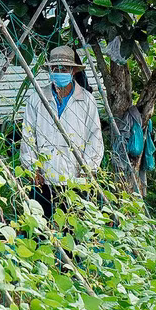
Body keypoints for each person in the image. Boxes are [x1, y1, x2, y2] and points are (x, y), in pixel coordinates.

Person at [20, 45, 104, 217]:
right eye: (55, 68)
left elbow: (94, 138)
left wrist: (87, 170)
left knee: (73, 234)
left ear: (73, 71)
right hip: (43, 179)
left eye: (64, 68)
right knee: (40, 233)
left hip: (75, 179)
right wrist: (32, 168)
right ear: (50, 70)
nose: (59, 72)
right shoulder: (37, 99)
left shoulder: (87, 101)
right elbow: (28, 136)